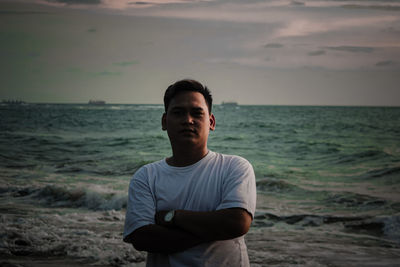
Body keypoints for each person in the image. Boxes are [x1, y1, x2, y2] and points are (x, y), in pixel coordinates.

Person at [123, 79, 257, 266]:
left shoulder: (234, 167)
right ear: (164, 121)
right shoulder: (146, 176)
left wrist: (172, 217)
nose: (188, 120)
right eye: (178, 113)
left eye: (197, 113)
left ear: (211, 122)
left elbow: (237, 223)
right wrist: (215, 228)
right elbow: (142, 237)